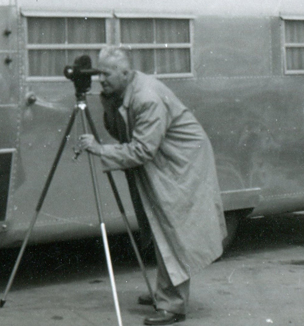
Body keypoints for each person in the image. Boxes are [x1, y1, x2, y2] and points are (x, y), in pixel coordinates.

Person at [75, 46, 227, 326]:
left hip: (182, 162)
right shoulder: (124, 90)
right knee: (157, 226)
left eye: (106, 75)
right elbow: (118, 130)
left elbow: (142, 150)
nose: (101, 81)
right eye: (99, 75)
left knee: (171, 228)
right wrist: (107, 99)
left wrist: (100, 150)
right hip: (163, 158)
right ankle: (165, 292)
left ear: (125, 73)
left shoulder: (146, 98)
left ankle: (173, 306)